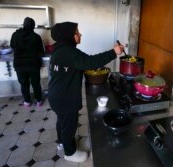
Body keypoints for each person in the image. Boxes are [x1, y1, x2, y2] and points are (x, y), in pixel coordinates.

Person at [48, 22, 123, 163]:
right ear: (68, 36)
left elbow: (82, 63)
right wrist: (114, 52)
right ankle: (70, 153)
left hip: (56, 95)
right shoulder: (69, 52)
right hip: (65, 98)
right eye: (77, 32)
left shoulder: (59, 49)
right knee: (69, 124)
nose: (80, 34)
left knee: (62, 121)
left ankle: (62, 142)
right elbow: (90, 62)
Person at [10, 17, 45, 107]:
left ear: (24, 24)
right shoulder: (36, 37)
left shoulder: (15, 35)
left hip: (20, 65)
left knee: (24, 83)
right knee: (36, 83)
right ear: (33, 26)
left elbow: (12, 46)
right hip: (33, 65)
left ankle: (27, 101)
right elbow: (41, 52)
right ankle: (38, 101)